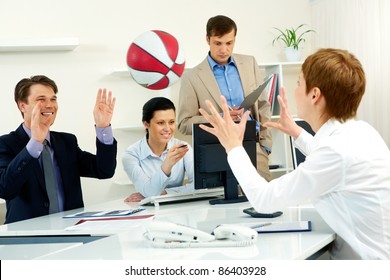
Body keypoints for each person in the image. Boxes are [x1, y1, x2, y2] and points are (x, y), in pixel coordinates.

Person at [198, 48, 390, 260]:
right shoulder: (361, 131)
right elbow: (327, 157)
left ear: (315, 95)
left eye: (299, 83)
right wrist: (297, 133)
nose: (295, 89)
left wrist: (233, 146)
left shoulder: (336, 151)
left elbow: (264, 199)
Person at [0, 75, 117, 224]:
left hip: (71, 232)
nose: (49, 105)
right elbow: (5, 189)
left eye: (53, 99)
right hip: (28, 238)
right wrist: (35, 142)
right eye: (41, 99)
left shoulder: (66, 142)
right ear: (22, 106)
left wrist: (103, 127)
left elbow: (104, 170)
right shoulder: (6, 143)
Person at [177, 15, 272, 181]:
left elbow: (263, 105)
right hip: (217, 151)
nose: (224, 50)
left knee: (265, 203)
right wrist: (220, 117)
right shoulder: (191, 77)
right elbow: (183, 124)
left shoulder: (250, 64)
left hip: (254, 148)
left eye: (229, 43)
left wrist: (265, 145)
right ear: (207, 39)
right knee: (226, 206)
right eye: (218, 43)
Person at [123, 97, 193, 202]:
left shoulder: (183, 147)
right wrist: (167, 165)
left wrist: (165, 193)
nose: (168, 128)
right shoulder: (131, 155)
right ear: (146, 124)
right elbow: (150, 193)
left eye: (171, 122)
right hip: (149, 212)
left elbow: (200, 186)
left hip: (179, 207)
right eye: (160, 123)